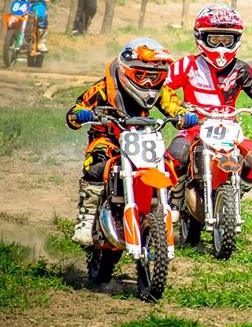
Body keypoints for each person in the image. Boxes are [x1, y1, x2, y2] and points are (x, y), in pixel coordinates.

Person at [64, 37, 197, 245]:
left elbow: (173, 106)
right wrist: (80, 115)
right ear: (127, 71)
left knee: (166, 164)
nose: (148, 82)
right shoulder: (104, 87)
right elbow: (76, 110)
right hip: (108, 137)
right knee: (97, 164)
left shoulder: (160, 90)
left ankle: (165, 205)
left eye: (154, 76)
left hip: (141, 138)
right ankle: (87, 218)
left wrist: (184, 116)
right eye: (141, 75)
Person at [161, 4, 252, 212]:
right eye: (215, 39)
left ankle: (234, 195)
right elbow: (163, 86)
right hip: (194, 125)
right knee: (176, 154)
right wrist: (177, 109)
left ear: (236, 40)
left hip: (229, 127)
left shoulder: (241, 69)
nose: (221, 46)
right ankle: (174, 199)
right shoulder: (188, 65)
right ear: (201, 38)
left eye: (226, 40)